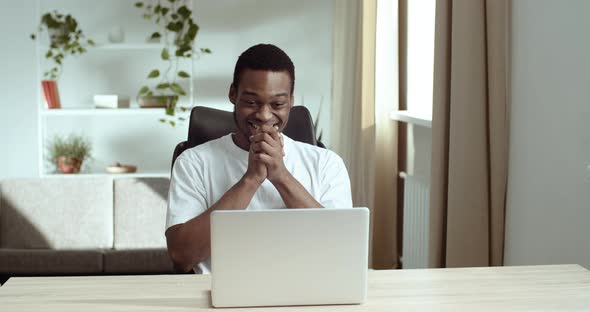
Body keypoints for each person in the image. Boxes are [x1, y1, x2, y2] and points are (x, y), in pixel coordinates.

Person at [165, 44, 352, 274]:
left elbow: (341, 249)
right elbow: (182, 256)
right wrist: (251, 179)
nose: (264, 115)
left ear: (291, 101)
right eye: (252, 102)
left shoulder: (326, 164)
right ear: (233, 94)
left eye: (277, 104)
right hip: (217, 297)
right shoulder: (193, 162)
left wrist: (281, 176)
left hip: (304, 295)